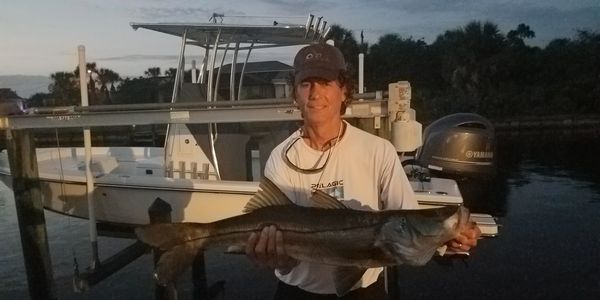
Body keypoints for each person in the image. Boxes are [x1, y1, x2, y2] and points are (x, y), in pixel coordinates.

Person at [246, 43, 481, 299]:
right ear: (295, 94)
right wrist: (274, 257)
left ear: (344, 90)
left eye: (325, 83)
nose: (315, 93)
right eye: (306, 84)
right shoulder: (281, 158)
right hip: (296, 292)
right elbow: (285, 261)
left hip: (364, 292)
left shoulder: (378, 150)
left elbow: (409, 224)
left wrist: (449, 240)